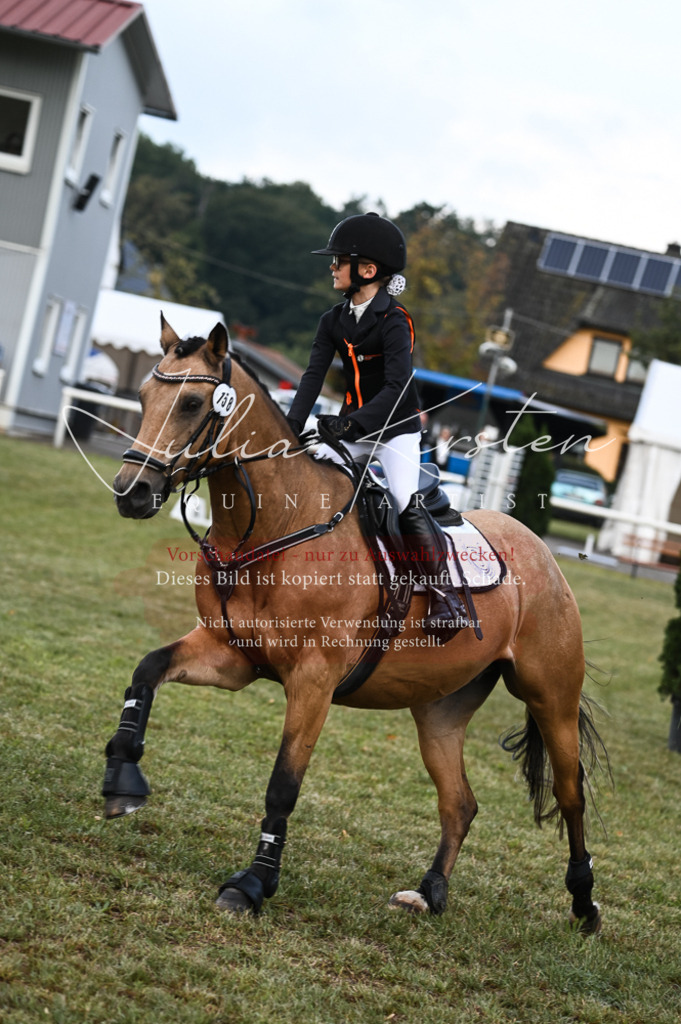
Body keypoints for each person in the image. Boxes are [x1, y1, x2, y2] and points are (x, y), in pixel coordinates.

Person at [286, 213, 468, 643]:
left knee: (403, 500)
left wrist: (351, 423)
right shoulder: (332, 320)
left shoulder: (395, 321)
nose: (331, 267)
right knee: (309, 477)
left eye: (339, 261)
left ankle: (445, 595)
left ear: (367, 270)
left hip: (396, 428)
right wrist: (290, 426)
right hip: (351, 428)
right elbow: (312, 377)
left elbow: (395, 386)